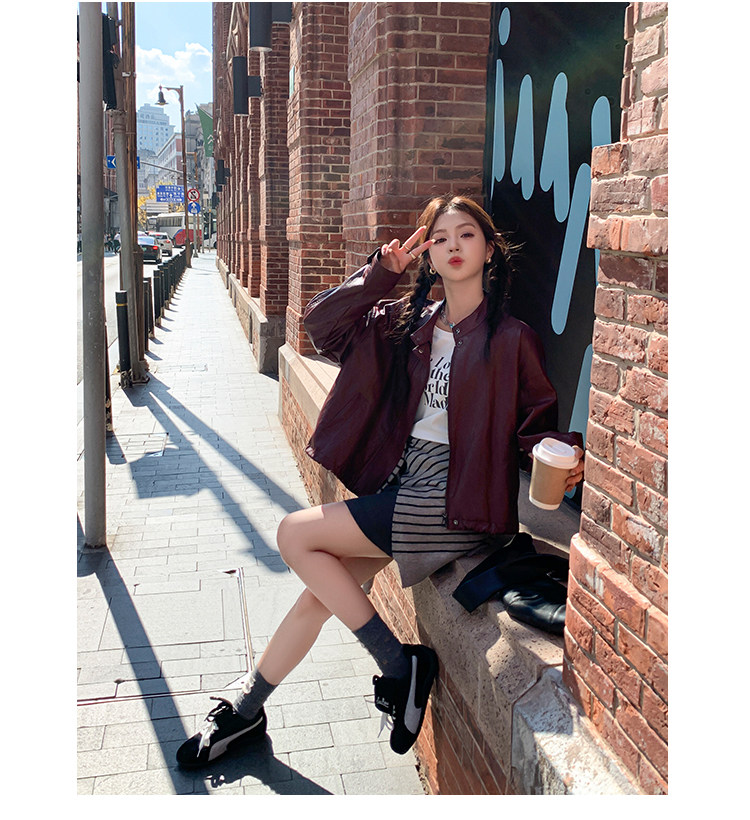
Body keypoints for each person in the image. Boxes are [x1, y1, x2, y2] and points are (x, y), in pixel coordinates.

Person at [175, 194, 584, 769]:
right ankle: (247, 709)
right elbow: (320, 327)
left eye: (467, 235)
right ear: (428, 255)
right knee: (320, 595)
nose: (453, 246)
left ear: (490, 250)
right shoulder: (407, 323)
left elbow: (535, 429)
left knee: (295, 535)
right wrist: (380, 274)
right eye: (440, 238)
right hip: (406, 490)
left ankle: (399, 665)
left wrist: (566, 453)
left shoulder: (513, 338)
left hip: (456, 500)